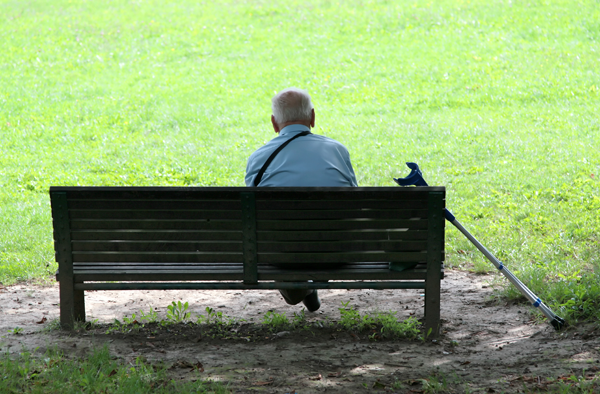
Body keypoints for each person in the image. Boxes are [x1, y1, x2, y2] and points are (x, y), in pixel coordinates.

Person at [245, 87, 358, 312]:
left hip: (282, 254)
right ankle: (306, 289)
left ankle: (300, 290)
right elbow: (353, 201)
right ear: (313, 117)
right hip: (336, 251)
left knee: (279, 239)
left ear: (274, 123)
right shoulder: (337, 151)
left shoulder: (259, 157)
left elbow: (253, 213)